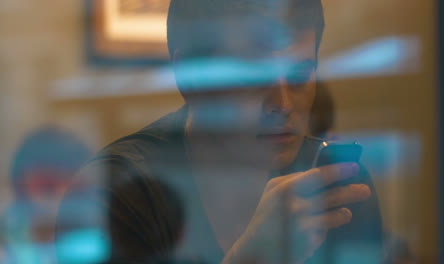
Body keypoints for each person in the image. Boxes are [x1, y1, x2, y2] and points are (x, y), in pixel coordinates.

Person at [57, 0, 384, 263]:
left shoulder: (332, 183)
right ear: (190, 79)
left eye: (300, 75)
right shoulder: (118, 193)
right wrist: (255, 256)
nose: (282, 103)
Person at [0, 127, 90, 264]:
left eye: (73, 188)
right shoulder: (1, 252)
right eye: (48, 185)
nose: (61, 197)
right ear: (20, 186)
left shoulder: (95, 244)